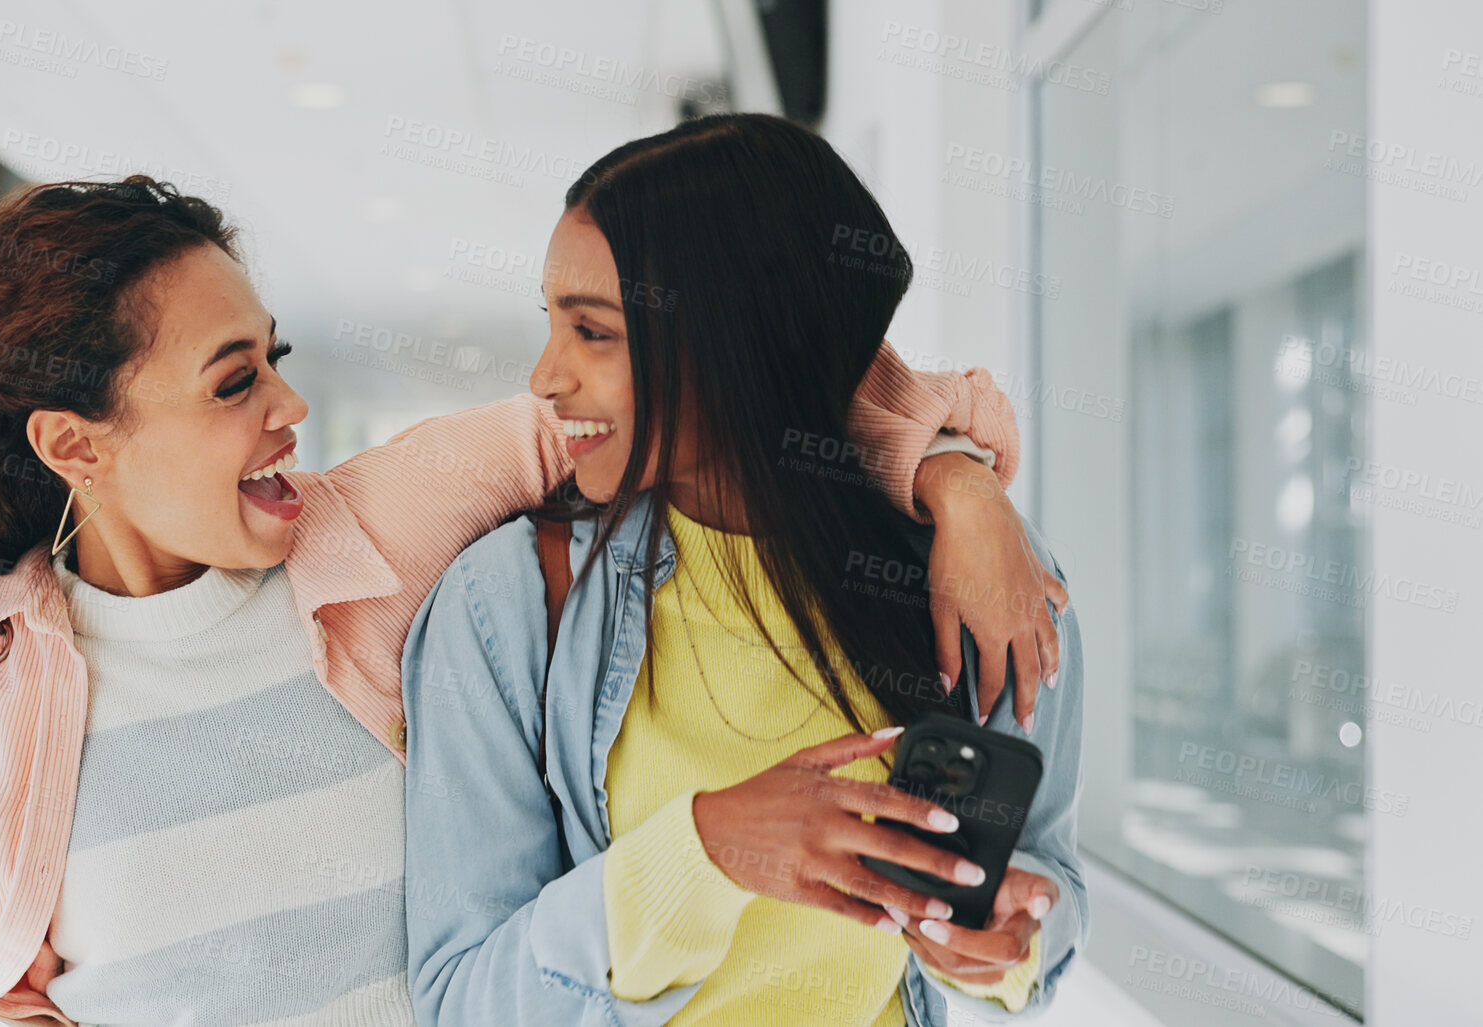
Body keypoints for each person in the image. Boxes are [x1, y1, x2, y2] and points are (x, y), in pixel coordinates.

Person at [0, 174, 1050, 1027]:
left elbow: (708, 397)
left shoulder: (375, 525)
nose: (287, 409)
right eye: (232, 381)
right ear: (74, 444)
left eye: (279, 359)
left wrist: (951, 480)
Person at [401, 114, 1087, 1027]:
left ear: (736, 341)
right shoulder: (506, 606)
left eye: (593, 333)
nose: (545, 376)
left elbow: (1045, 876)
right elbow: (463, 1001)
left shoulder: (979, 572)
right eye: (553, 324)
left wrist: (1008, 941)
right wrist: (703, 852)